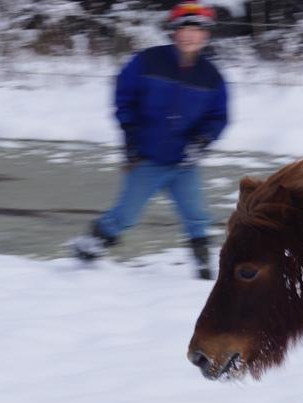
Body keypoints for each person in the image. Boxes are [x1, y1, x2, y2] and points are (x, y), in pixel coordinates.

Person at [70, 2, 228, 279]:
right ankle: (87, 249)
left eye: (198, 31)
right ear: (174, 32)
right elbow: (124, 97)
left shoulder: (212, 77)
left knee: (197, 217)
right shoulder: (148, 60)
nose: (191, 36)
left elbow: (218, 116)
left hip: (184, 162)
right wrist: (130, 134)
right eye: (185, 29)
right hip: (147, 157)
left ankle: (204, 271)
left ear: (206, 36)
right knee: (125, 216)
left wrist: (201, 142)